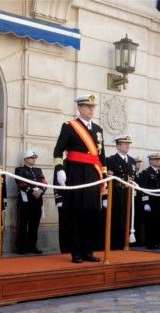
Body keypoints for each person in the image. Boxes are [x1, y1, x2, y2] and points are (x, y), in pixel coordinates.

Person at [53, 94, 106, 263]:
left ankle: (88, 251)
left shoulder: (98, 129)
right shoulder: (69, 126)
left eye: (93, 107)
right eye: (88, 107)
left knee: (91, 213)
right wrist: (60, 169)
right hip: (75, 172)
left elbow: (101, 156)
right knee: (75, 213)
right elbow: (58, 150)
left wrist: (103, 176)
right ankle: (76, 252)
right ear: (80, 108)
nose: (91, 110)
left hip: (92, 174)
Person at [14, 150, 47, 254]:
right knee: (22, 225)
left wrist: (41, 191)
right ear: (26, 159)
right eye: (32, 158)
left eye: (34, 158)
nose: (34, 160)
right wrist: (32, 191)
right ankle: (21, 247)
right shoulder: (19, 170)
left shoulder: (38, 170)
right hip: (25, 202)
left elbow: (44, 182)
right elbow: (20, 183)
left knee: (34, 225)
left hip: (37, 201)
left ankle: (32, 246)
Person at [106, 135, 135, 250]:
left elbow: (133, 177)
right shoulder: (111, 160)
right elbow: (108, 179)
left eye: (128, 144)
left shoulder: (131, 160)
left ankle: (125, 244)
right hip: (116, 194)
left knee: (127, 218)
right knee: (116, 220)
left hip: (128, 193)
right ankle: (115, 246)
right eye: (124, 144)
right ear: (118, 146)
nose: (127, 146)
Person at [139, 153, 160, 250]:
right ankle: (150, 243)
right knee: (150, 224)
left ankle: (157, 242)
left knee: (159, 223)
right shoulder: (146, 173)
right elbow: (143, 189)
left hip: (159, 201)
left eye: (159, 160)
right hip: (150, 202)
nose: (158, 161)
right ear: (150, 161)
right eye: (156, 160)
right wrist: (145, 203)